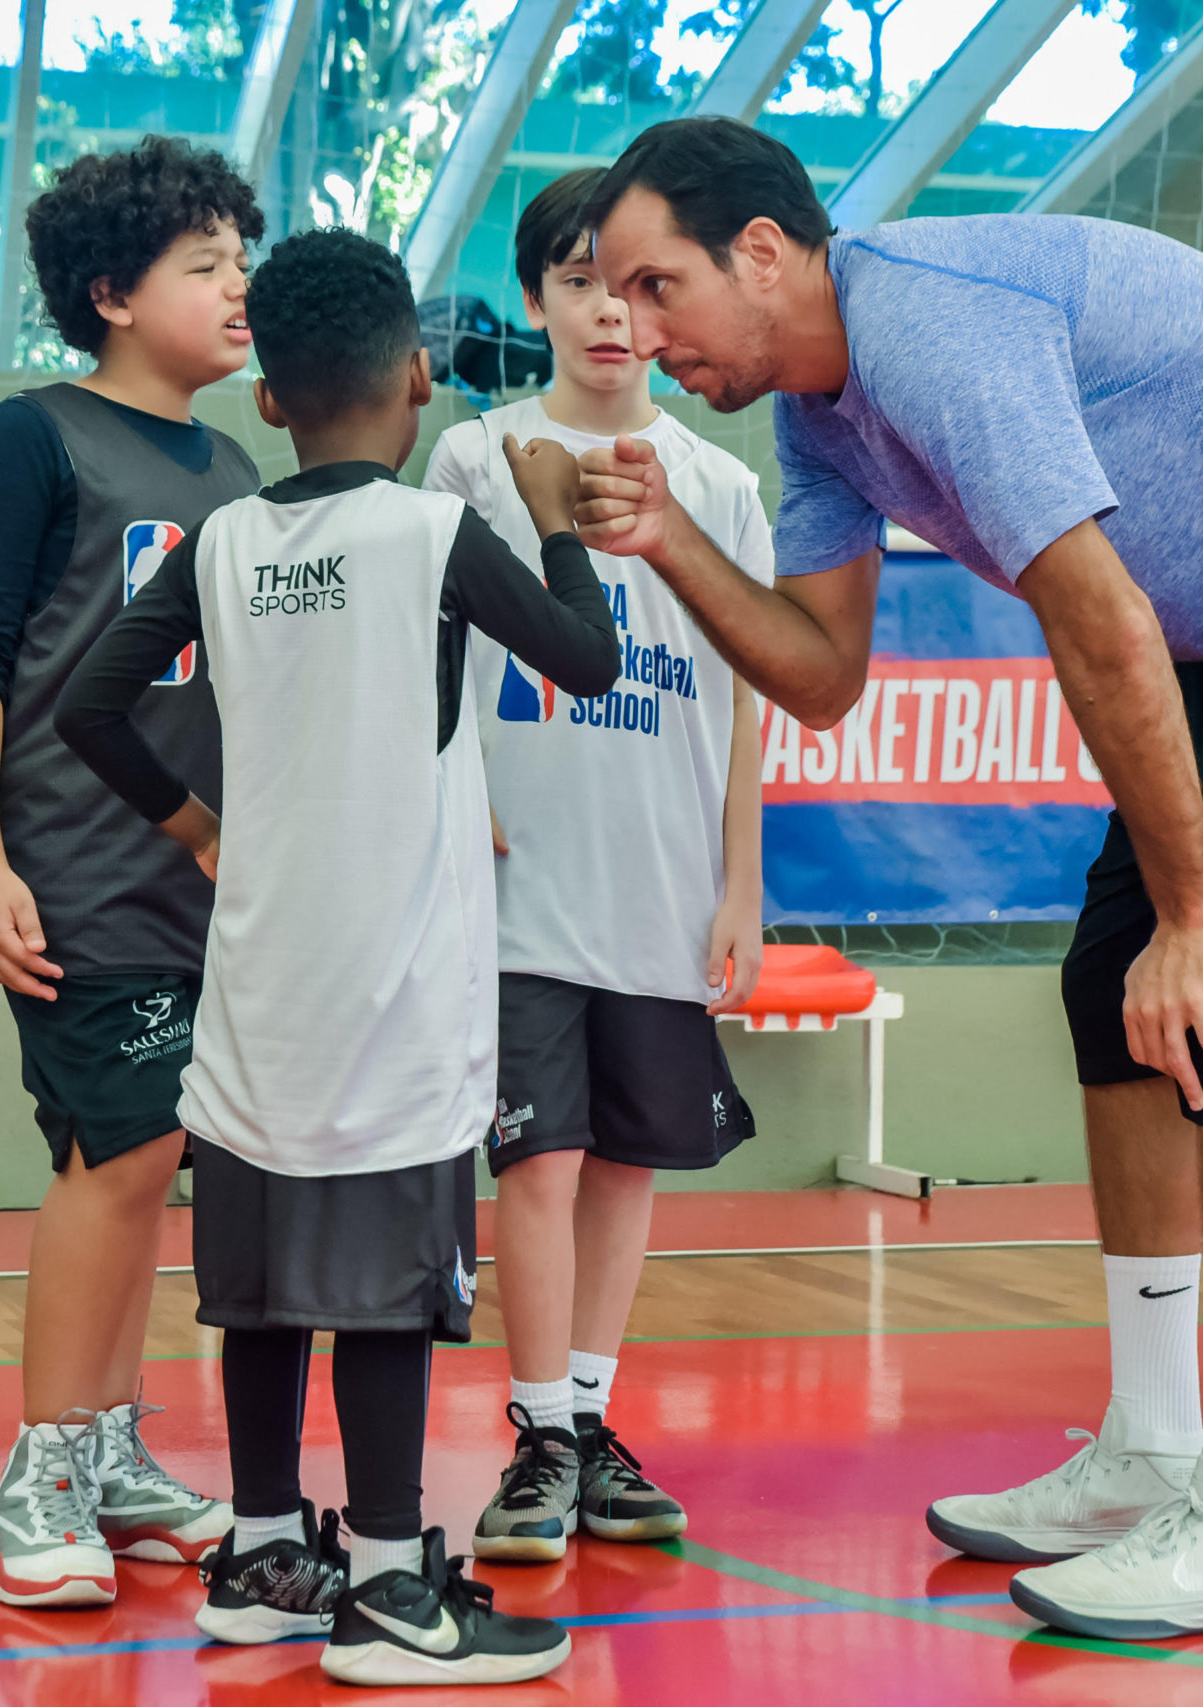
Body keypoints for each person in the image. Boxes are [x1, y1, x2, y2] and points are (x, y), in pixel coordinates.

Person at [574, 118, 1203, 1640]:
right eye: (613, 295)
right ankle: (1153, 1449)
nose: (632, 325)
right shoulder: (821, 418)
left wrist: (1201, 918)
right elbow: (823, 675)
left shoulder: (933, 329)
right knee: (1112, 994)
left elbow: (1098, 623)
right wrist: (678, 540)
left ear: (763, 252)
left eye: (656, 283)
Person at [57, 227, 622, 1685]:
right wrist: (557, 514)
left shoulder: (222, 538)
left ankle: (257, 1559)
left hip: (253, 1000)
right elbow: (588, 656)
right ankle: (384, 1585)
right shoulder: (432, 534)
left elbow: (91, 710)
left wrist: (199, 824)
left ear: (267, 397)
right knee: (383, 1289)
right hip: (399, 998)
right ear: (420, 378)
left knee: (257, 1292)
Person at [0, 137, 260, 1607]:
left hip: (209, 884)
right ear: (113, 291)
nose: (239, 287)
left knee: (156, 1157)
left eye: (243, 260)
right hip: (74, 863)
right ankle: (40, 1468)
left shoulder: (240, 467)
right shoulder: (35, 435)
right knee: (111, 1149)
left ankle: (112, 1447)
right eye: (206, 265)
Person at [423, 168, 765, 1563]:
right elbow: (421, 655)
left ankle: (593, 1414)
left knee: (626, 1160)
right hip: (517, 888)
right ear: (537, 301)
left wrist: (741, 876)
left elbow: (749, 696)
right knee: (538, 1160)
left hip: (664, 881)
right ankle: (539, 1434)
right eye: (577, 282)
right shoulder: (472, 459)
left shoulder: (725, 485)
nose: (610, 313)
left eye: (633, 285)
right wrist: (455, 799)